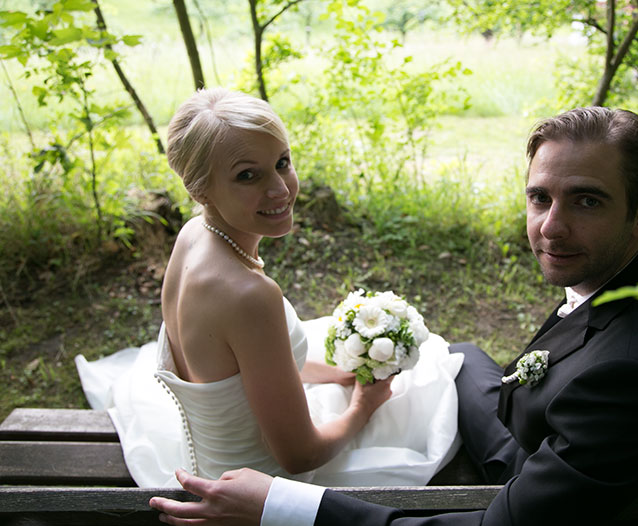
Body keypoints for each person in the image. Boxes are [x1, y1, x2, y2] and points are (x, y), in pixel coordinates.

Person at [149, 106, 638, 526]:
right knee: (457, 358)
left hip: (587, 497)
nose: (551, 228)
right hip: (564, 442)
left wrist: (281, 508)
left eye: (587, 200)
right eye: (540, 198)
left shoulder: (628, 381)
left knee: (430, 381)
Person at [74, 88, 464, 489]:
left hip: (216, 455)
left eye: (282, 163)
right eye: (248, 175)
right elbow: (299, 456)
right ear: (199, 190)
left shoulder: (192, 235)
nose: (279, 188)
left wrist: (337, 375)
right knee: (431, 392)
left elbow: (245, 364)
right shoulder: (249, 296)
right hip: (263, 486)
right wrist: (364, 407)